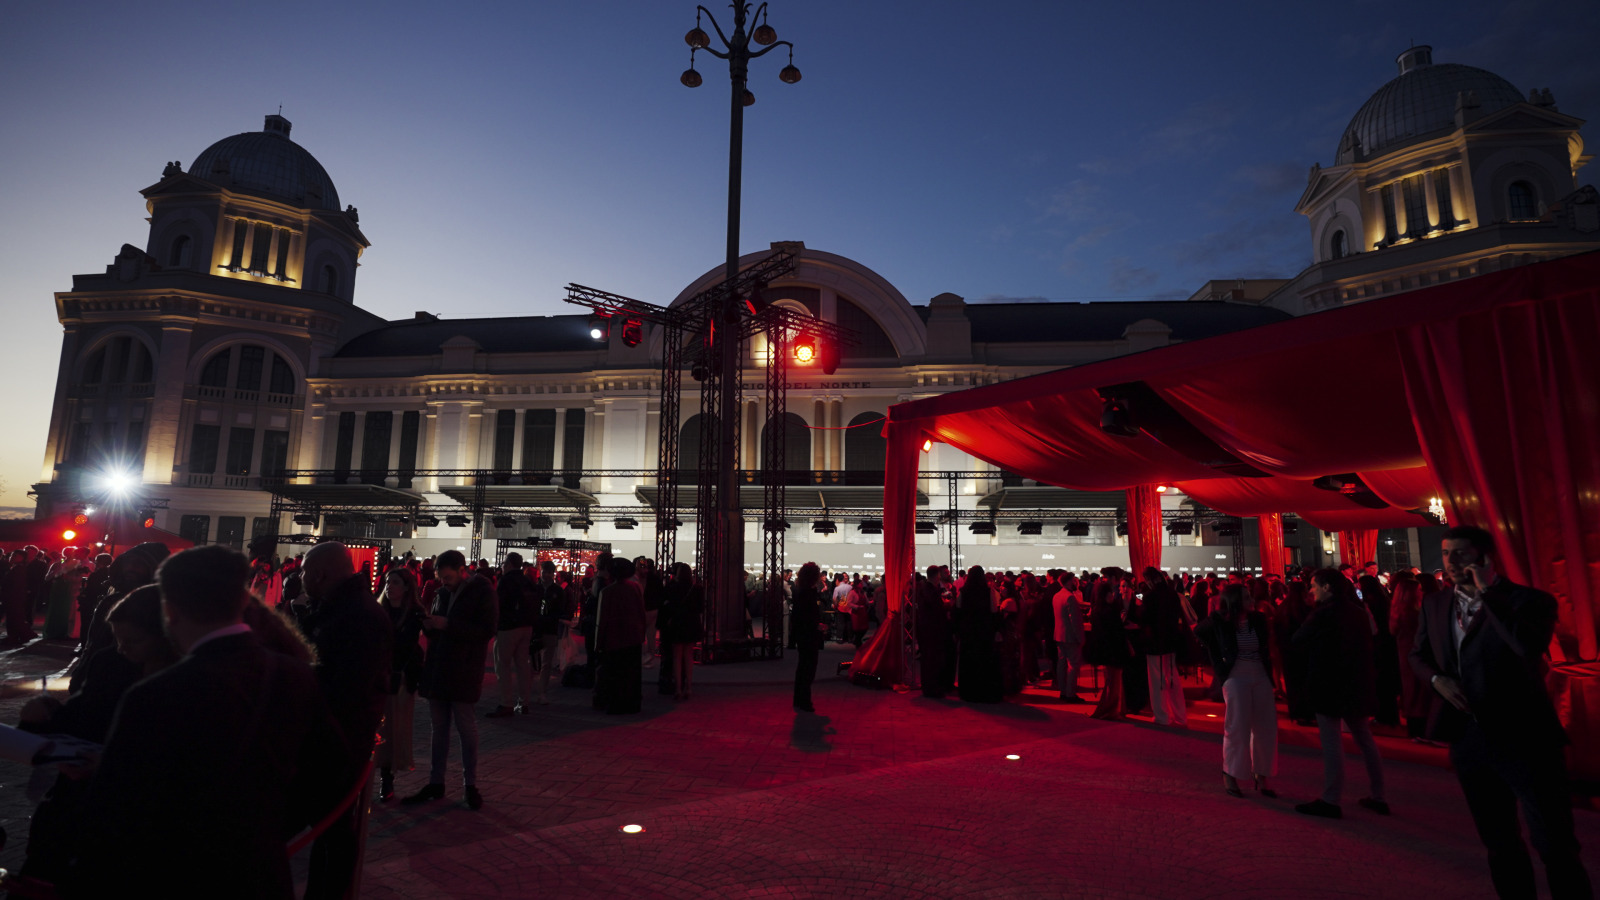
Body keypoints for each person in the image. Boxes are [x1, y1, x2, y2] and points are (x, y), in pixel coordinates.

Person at [68, 545, 352, 898]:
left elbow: (114, 814)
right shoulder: (295, 674)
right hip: (260, 875)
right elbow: (333, 770)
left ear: (169, 611)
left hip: (176, 874)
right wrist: (264, 827)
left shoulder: (156, 693)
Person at [1410, 526, 1592, 899]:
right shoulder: (1435, 604)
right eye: (1446, 554)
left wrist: (1490, 593)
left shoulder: (1530, 601)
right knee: (1499, 841)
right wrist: (1436, 681)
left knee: (1555, 843)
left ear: (1485, 557)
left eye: (1461, 553)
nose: (1452, 562)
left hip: (1525, 737)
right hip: (1468, 737)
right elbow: (1418, 655)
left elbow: (1525, 647)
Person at [293, 542, 394, 900]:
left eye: (304, 571)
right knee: (329, 829)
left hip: (340, 738)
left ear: (321, 573)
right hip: (334, 733)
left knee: (334, 830)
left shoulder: (358, 615)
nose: (299, 577)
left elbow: (346, 686)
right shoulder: (342, 608)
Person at [404, 549, 496, 810]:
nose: (444, 582)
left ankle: (470, 785)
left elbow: (487, 630)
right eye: (441, 577)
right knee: (439, 728)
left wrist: (447, 625)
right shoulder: (442, 592)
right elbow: (441, 626)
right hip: (438, 667)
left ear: (462, 570)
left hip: (463, 669)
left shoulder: (482, 590)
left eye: (447, 577)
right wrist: (429, 625)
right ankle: (436, 782)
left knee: (466, 729)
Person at [1293, 568, 1387, 819]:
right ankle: (1379, 796)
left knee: (1332, 743)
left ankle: (1331, 799)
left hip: (1329, 686)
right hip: (1357, 684)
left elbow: (1298, 641)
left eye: (1314, 586)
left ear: (1327, 587)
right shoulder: (1358, 613)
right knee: (1365, 740)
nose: (1311, 591)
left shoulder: (1322, 615)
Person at [1195, 583, 1278, 798]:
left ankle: (1261, 774)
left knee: (1265, 728)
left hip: (1260, 675)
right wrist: (1219, 660)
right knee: (1237, 726)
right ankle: (1230, 773)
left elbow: (1267, 645)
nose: (1251, 599)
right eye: (1246, 597)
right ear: (1234, 601)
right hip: (1235, 676)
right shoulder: (1220, 620)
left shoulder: (1257, 619)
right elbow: (1199, 632)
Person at [376, 566, 423, 802]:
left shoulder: (414, 614)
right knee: (377, 727)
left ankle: (388, 777)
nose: (389, 586)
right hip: (378, 677)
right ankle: (377, 774)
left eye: (395, 582)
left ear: (406, 587)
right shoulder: (377, 611)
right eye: (387, 581)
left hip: (402, 678)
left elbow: (412, 648)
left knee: (396, 728)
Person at [593, 556, 646, 714]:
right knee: (631, 674)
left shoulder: (607, 592)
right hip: (633, 638)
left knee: (614, 673)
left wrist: (598, 643)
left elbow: (601, 620)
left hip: (613, 639)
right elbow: (641, 612)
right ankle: (632, 703)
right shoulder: (635, 588)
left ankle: (615, 704)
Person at [1138, 567, 1188, 728]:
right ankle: (1180, 715)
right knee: (1173, 679)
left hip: (1154, 643)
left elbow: (1144, 619)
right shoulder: (1172, 594)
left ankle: (1162, 716)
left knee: (1157, 680)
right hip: (1171, 642)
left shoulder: (1150, 596)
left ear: (1150, 580)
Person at [488, 552, 535, 717]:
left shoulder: (506, 580)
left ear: (508, 564)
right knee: (523, 665)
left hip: (508, 627)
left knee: (503, 665)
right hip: (526, 626)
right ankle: (524, 702)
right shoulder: (527, 581)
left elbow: (497, 604)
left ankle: (506, 703)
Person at [1084, 578, 1131, 720]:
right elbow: (1115, 631)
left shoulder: (1098, 610)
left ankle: (1112, 709)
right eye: (1111, 593)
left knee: (1112, 680)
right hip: (1114, 651)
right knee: (1114, 681)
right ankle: (1112, 710)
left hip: (1105, 651)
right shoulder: (1109, 611)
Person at [954, 566, 1002, 703]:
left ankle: (968, 691)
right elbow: (994, 611)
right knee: (983, 661)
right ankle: (983, 691)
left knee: (968, 661)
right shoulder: (988, 592)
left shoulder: (964, 591)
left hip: (968, 632)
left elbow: (957, 610)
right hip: (984, 632)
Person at [659, 562, 704, 701]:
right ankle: (688, 688)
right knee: (688, 657)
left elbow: (664, 606)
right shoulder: (696, 588)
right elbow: (701, 608)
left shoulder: (671, 587)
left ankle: (678, 688)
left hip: (676, 624)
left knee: (677, 657)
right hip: (691, 624)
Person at [790, 562, 825, 713]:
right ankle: (805, 701)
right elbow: (809, 616)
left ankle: (799, 699)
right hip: (809, 634)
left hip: (802, 634)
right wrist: (817, 626)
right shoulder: (807, 593)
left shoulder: (799, 591)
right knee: (808, 669)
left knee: (802, 667)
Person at [914, 566, 952, 698]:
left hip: (929, 629)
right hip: (931, 630)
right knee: (932, 660)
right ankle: (931, 688)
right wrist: (947, 605)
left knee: (930, 659)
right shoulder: (929, 589)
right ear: (937, 575)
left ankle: (931, 687)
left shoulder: (927, 588)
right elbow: (936, 607)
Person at [1052, 572, 1086, 703]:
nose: (1075, 583)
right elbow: (1075, 622)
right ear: (1068, 581)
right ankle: (1070, 693)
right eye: (1073, 580)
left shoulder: (1056, 596)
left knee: (1061, 665)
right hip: (1070, 637)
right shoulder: (1070, 598)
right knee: (1073, 665)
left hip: (1059, 635)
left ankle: (1063, 691)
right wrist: (1080, 638)